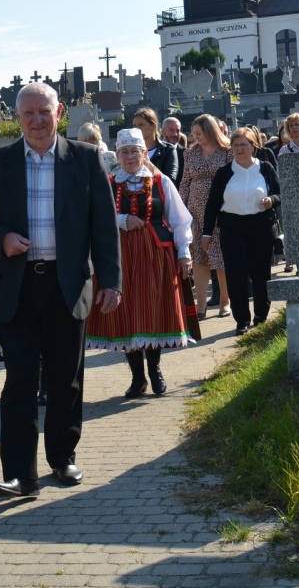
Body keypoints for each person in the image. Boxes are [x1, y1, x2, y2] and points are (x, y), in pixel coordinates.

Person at [0, 82, 121, 498]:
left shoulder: (85, 160)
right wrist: (0, 238)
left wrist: (110, 280)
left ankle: (62, 458)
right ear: (17, 118)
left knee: (64, 378)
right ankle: (20, 474)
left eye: (44, 112)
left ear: (60, 112)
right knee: (18, 380)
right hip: (16, 287)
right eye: (28, 114)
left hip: (66, 285)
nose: (36, 121)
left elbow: (103, 226)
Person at [86, 128, 193, 397]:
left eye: (135, 151)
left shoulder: (161, 182)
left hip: (154, 256)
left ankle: (155, 370)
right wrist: (122, 221)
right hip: (119, 256)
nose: (130, 157)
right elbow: (94, 219)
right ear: (117, 156)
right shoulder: (108, 183)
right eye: (125, 152)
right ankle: (137, 377)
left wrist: (184, 253)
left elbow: (179, 219)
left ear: (145, 154)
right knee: (126, 313)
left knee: (151, 310)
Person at [201, 126, 281, 335]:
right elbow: (212, 205)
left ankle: (261, 315)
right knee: (236, 275)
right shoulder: (225, 173)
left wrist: (270, 201)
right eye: (236, 145)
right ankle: (242, 320)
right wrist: (207, 233)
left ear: (253, 147)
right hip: (232, 229)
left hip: (260, 227)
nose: (239, 149)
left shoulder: (264, 168)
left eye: (244, 145)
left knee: (261, 274)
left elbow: (279, 194)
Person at [179, 115, 232, 318]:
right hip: (194, 211)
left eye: (199, 133)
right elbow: (185, 182)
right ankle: (200, 305)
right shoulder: (190, 154)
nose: (196, 137)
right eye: (194, 134)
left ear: (211, 131)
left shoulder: (227, 151)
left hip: (220, 210)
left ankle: (224, 301)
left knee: (219, 257)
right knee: (199, 257)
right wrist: (180, 209)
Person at [132, 107, 180, 186]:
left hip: (159, 196)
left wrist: (148, 164)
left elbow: (170, 180)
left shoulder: (168, 150)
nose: (136, 129)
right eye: (135, 125)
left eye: (141, 125)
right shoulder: (131, 151)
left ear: (153, 126)